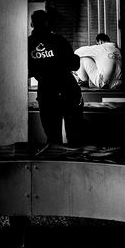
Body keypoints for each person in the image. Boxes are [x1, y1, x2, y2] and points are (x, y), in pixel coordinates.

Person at [28, 9, 83, 146]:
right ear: (48, 23)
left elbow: (26, 71)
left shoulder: (28, 44)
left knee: (53, 138)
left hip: (47, 94)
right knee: (74, 137)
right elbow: (74, 64)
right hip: (69, 91)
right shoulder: (60, 40)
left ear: (32, 24)